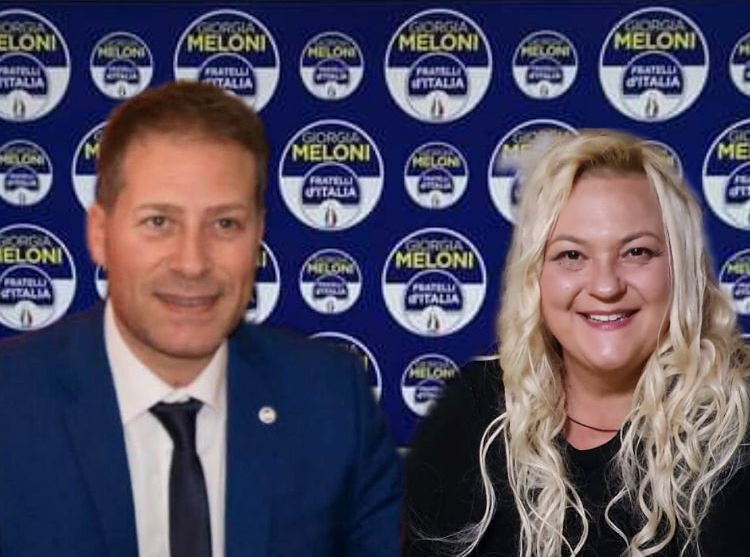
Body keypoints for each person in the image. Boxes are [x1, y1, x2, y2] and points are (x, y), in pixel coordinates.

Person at [0, 81, 401, 557]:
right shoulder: (12, 403)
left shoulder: (332, 402)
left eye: (225, 224)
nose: (192, 263)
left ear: (258, 234)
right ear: (100, 235)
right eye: (159, 222)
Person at [404, 130, 750, 557]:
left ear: (681, 270)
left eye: (637, 252)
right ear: (536, 277)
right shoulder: (471, 413)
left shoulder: (740, 426)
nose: (605, 286)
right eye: (571, 255)